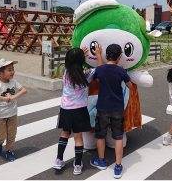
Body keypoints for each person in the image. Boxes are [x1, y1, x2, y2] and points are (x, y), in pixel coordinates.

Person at [53, 44, 102, 175]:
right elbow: (100, 69)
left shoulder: (65, 71)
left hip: (65, 109)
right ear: (82, 61)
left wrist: (78, 56)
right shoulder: (86, 73)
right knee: (78, 137)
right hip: (80, 110)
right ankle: (78, 164)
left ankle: (58, 160)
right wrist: (97, 55)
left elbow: (72, 63)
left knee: (64, 134)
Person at [90, 44, 132, 179]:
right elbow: (130, 85)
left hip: (102, 107)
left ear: (106, 56)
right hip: (118, 108)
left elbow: (97, 76)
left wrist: (97, 55)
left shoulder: (100, 70)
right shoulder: (121, 71)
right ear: (119, 57)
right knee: (118, 136)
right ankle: (118, 166)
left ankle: (101, 161)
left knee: (100, 135)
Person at [0, 58, 27, 161]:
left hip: (12, 113)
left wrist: (12, 98)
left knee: (11, 134)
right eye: (9, 70)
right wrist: (5, 98)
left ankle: (9, 150)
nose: (12, 72)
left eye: (13, 69)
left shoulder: (13, 82)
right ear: (0, 73)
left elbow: (24, 90)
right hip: (0, 114)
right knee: (2, 135)